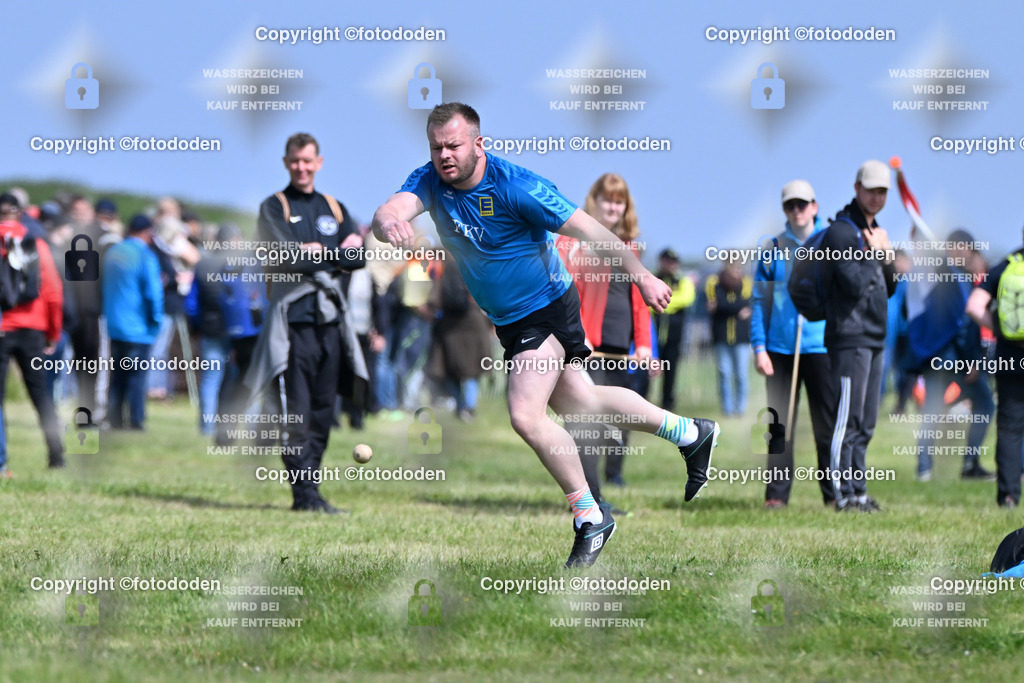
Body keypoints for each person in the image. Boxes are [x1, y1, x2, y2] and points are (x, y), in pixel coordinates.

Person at [371, 102, 720, 568]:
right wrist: (390, 223)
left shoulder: (519, 186)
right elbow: (391, 209)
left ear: (479, 143)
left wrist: (641, 277)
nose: (444, 156)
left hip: (547, 309)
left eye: (454, 145)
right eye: (436, 147)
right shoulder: (430, 180)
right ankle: (691, 432)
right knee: (585, 404)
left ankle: (589, 516)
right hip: (511, 321)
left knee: (524, 414)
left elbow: (595, 232)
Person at [247, 132, 367, 514]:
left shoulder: (334, 207)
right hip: (292, 325)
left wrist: (316, 252)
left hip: (330, 323)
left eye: (308, 160)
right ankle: (303, 494)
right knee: (296, 411)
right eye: (295, 161)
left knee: (321, 410)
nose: (301, 167)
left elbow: (359, 257)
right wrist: (325, 255)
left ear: (319, 162)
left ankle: (312, 489)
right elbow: (284, 258)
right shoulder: (273, 207)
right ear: (286, 163)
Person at [555, 173, 654, 494]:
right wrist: (577, 335)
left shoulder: (631, 249)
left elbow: (639, 302)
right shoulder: (578, 244)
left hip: (620, 350)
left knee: (624, 417)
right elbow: (568, 292)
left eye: (619, 201)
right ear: (594, 201)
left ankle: (614, 474)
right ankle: (590, 495)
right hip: (589, 349)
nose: (613, 206)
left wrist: (643, 344)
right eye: (608, 199)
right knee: (588, 423)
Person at [751, 180, 835, 508]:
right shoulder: (772, 248)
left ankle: (834, 493)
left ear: (814, 206)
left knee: (826, 425)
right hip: (779, 350)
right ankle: (776, 494)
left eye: (803, 204)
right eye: (790, 205)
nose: (797, 210)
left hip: (822, 347)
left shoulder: (831, 244)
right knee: (778, 425)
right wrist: (759, 348)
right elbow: (760, 301)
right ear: (785, 210)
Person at [822, 160, 897, 512]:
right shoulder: (841, 231)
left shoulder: (875, 231)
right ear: (856, 188)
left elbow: (890, 287)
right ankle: (841, 494)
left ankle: (859, 491)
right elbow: (853, 283)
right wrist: (876, 254)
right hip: (850, 337)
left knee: (866, 421)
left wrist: (886, 258)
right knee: (846, 421)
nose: (876, 197)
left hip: (875, 336)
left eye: (882, 191)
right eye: (871, 190)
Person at [904, 230, 994, 481]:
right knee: (985, 404)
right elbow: (963, 324)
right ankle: (968, 464)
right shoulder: (956, 279)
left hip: (934, 356)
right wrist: (972, 362)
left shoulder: (938, 276)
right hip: (953, 357)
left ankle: (924, 469)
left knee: (933, 411)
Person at [0, 193, 65, 468]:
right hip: (33, 328)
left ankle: (1, 462)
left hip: (2, 327)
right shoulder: (35, 243)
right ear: (20, 212)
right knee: (41, 394)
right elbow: (52, 292)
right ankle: (56, 454)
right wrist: (53, 331)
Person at [966, 226, 1024, 508]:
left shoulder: (1005, 265)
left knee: (1011, 428)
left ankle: (1009, 495)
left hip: (1010, 358)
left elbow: (974, 306)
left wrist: (1000, 331)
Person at [102, 215, 163, 430]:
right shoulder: (144, 255)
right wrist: (156, 320)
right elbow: (153, 292)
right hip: (139, 327)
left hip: (115, 324)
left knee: (117, 375)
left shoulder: (113, 252)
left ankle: (115, 418)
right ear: (148, 232)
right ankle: (136, 421)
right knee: (137, 377)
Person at [705, 261, 753, 416]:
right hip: (721, 335)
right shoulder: (714, 282)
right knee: (724, 373)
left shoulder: (747, 282)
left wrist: (720, 306)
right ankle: (727, 409)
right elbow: (737, 305)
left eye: (739, 266)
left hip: (741, 337)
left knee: (741, 374)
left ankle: (740, 408)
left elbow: (745, 302)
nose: (737, 270)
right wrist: (737, 308)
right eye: (733, 266)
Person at [652, 248, 695, 411]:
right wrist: (666, 304)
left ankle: (667, 404)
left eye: (674, 262)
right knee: (647, 372)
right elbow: (645, 301)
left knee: (671, 371)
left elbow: (686, 298)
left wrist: (661, 304)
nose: (671, 265)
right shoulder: (653, 277)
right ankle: (644, 402)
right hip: (653, 336)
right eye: (668, 261)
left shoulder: (683, 280)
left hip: (674, 336)